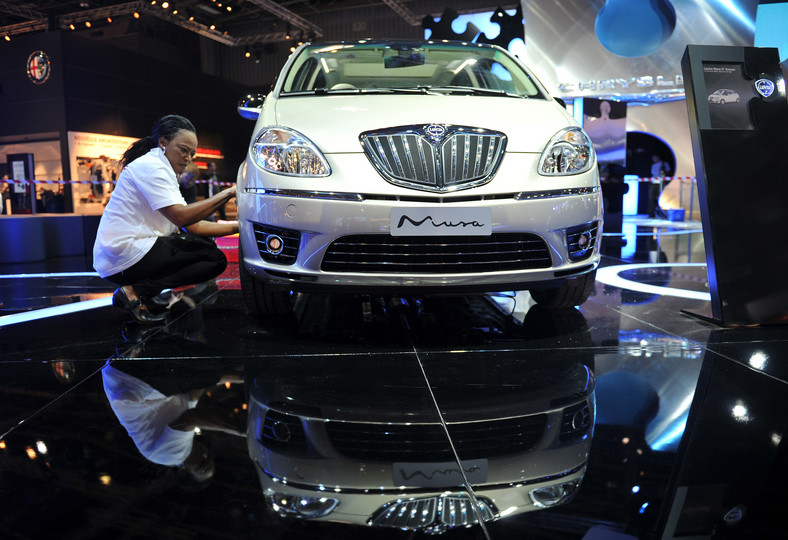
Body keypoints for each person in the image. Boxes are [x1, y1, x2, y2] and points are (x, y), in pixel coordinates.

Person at [93, 115, 238, 323]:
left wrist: (239, 227)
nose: (188, 158)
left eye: (192, 153)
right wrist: (227, 194)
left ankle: (142, 294)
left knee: (208, 250)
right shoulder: (152, 167)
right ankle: (134, 291)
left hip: (129, 252)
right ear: (163, 143)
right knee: (211, 257)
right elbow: (181, 217)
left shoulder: (162, 169)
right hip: (123, 254)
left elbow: (193, 226)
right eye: (183, 150)